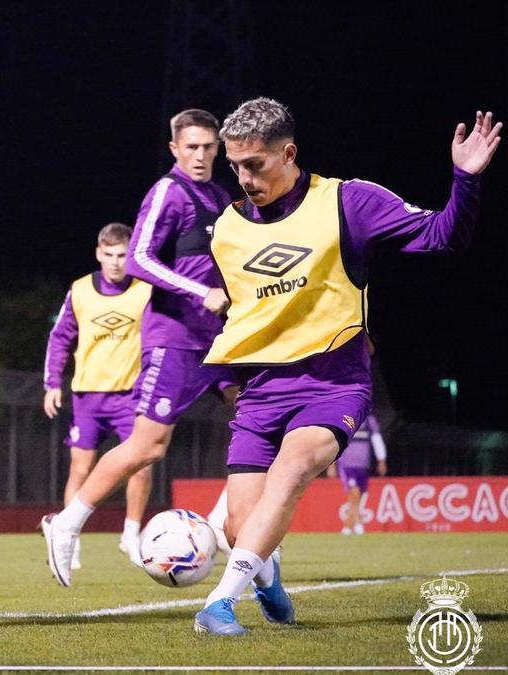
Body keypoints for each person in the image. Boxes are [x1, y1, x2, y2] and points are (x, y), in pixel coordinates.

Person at [193, 98, 499, 635]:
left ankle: (218, 604)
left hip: (332, 384)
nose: (243, 177)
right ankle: (266, 581)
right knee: (241, 524)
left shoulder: (346, 202)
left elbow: (442, 236)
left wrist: (465, 179)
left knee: (289, 473)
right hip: (262, 391)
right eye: (235, 165)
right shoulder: (227, 230)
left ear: (288, 153)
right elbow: (244, 319)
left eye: (256, 164)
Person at [41, 109, 237, 586]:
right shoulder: (171, 192)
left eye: (209, 146)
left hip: (220, 339)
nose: (200, 155)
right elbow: (140, 259)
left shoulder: (222, 197)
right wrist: (200, 293)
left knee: (263, 420)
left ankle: (223, 529)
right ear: (175, 148)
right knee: (147, 446)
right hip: (175, 339)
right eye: (191, 146)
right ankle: (66, 527)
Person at [43, 223, 152, 568]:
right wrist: (51, 383)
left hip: (131, 394)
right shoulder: (80, 291)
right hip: (88, 395)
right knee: (81, 468)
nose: (116, 262)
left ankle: (131, 536)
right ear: (98, 254)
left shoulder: (146, 290)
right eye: (109, 255)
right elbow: (60, 337)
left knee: (141, 463)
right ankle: (68, 538)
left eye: (122, 255)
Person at [326, 414, 387, 535]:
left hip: (363, 466)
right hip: (347, 465)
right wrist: (331, 465)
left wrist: (381, 460)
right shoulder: (345, 419)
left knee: (355, 498)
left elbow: (377, 440)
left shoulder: (369, 421)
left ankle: (347, 527)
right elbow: (336, 442)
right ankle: (359, 524)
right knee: (355, 493)